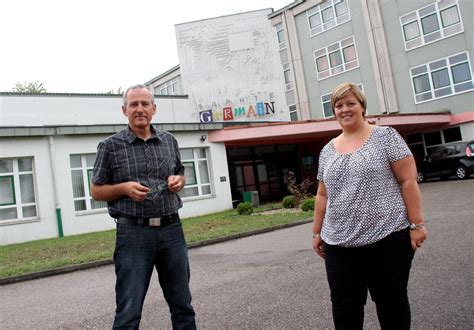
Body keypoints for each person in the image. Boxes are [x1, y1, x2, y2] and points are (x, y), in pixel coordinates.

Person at [312, 82, 427, 329]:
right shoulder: (327, 150)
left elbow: (408, 181)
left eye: (351, 103)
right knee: (344, 305)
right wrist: (316, 231)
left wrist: (417, 225)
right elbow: (322, 195)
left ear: (362, 106)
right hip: (338, 243)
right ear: (334, 111)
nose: (345, 109)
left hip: (387, 237)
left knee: (391, 302)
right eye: (339, 105)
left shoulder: (385, 137)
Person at [91, 84, 196, 329]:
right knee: (129, 312)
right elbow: (96, 191)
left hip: (172, 231)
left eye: (145, 104)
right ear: (124, 110)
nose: (140, 109)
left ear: (154, 109)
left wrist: (179, 181)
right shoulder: (110, 146)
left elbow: (179, 172)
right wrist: (123, 188)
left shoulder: (169, 140)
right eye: (134, 104)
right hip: (133, 235)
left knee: (183, 306)